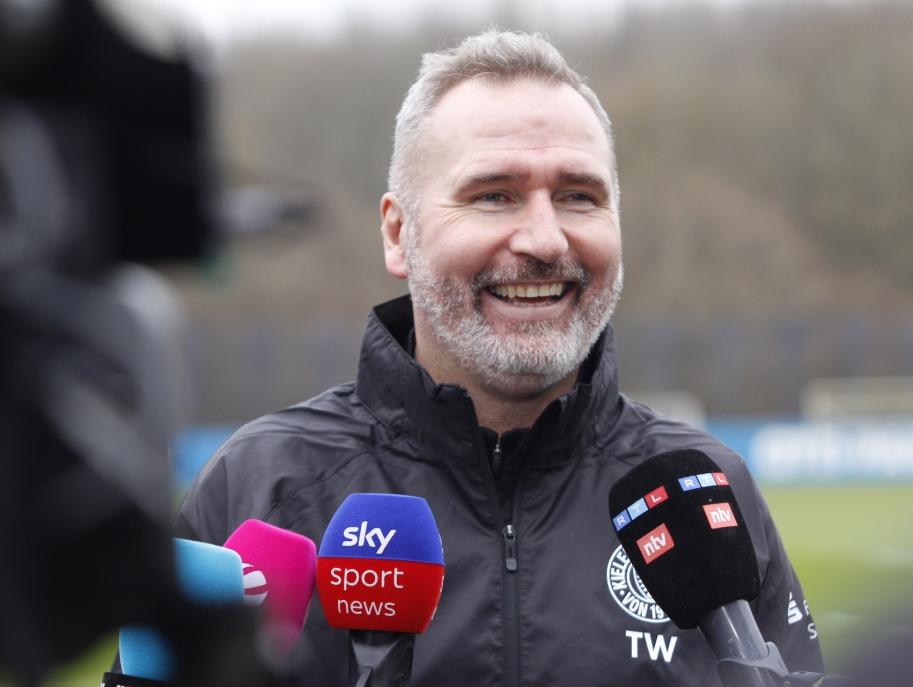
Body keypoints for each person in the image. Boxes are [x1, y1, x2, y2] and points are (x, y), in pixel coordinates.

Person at [174, 29, 824, 685]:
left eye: (578, 195)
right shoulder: (257, 487)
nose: (544, 238)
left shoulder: (704, 494)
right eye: (493, 194)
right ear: (400, 234)